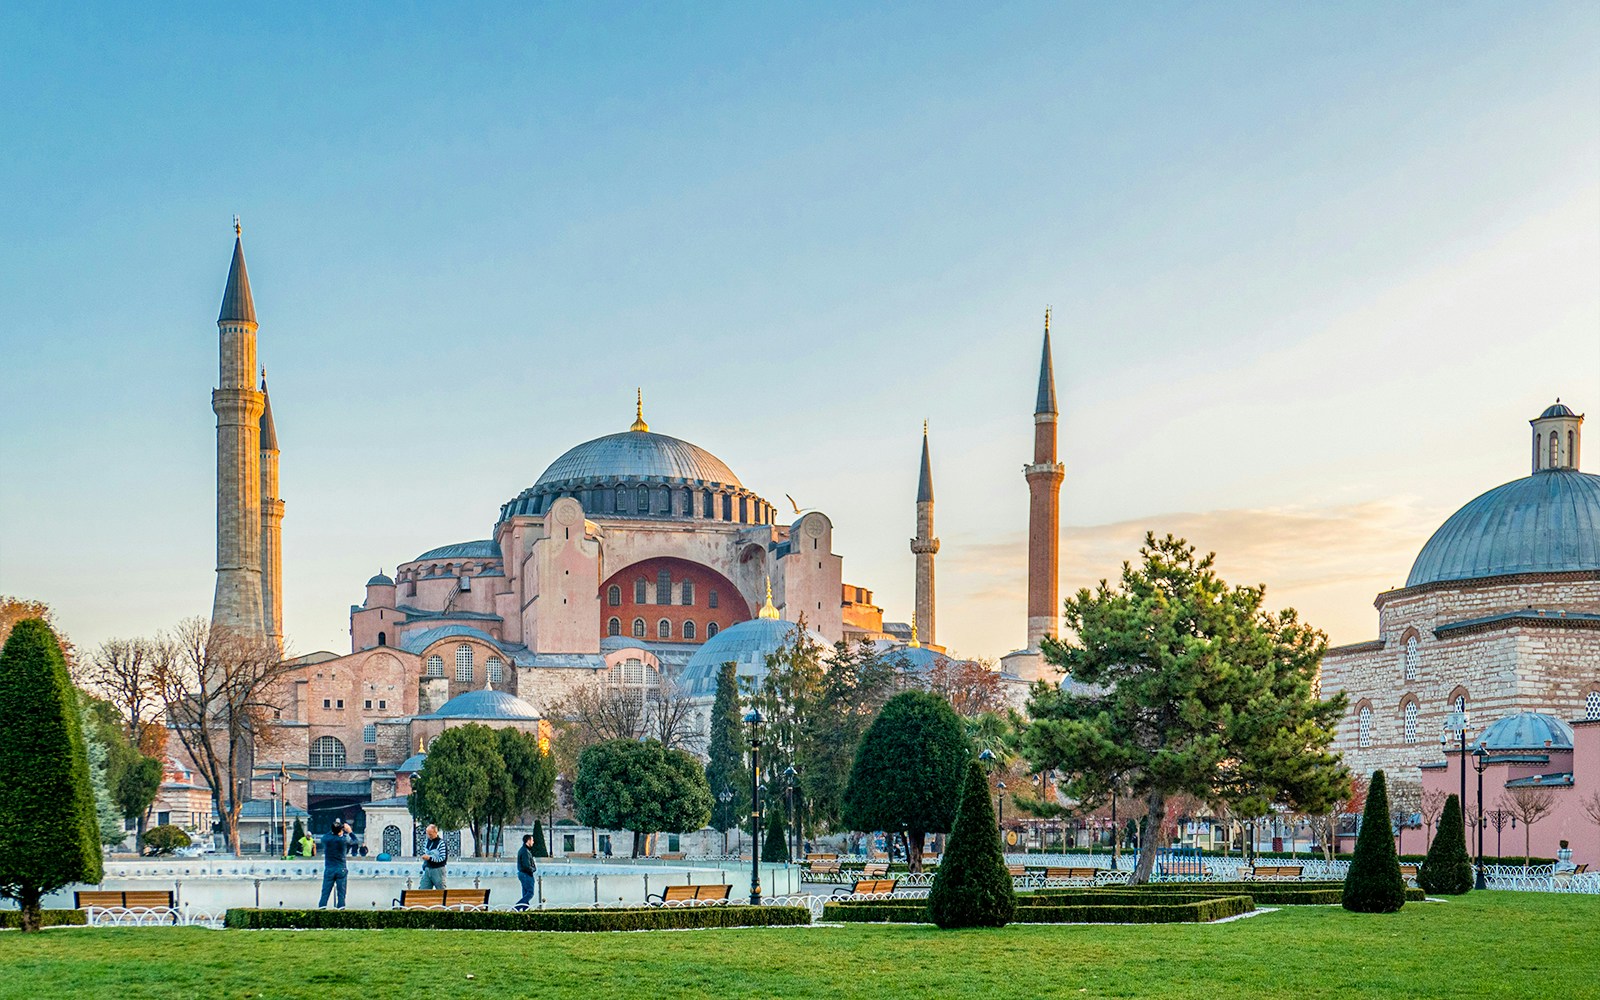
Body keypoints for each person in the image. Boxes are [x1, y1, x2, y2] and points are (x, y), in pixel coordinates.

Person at [317, 819, 360, 909]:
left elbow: (328, 835)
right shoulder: (343, 841)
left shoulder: (326, 839)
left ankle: (321, 908)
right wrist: (349, 831)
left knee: (325, 892)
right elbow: (355, 841)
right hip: (341, 868)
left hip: (329, 868)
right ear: (341, 831)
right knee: (341, 893)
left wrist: (335, 828)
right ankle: (340, 908)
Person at [420, 824, 448, 890]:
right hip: (428, 869)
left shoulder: (441, 843)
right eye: (427, 834)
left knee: (441, 890)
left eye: (430, 834)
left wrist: (430, 858)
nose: (429, 836)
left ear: (435, 832)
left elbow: (443, 858)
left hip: (438, 869)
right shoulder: (426, 842)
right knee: (423, 889)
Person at [515, 833, 539, 910]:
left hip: (523, 874)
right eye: (532, 840)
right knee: (530, 893)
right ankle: (517, 907)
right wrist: (533, 869)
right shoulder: (525, 851)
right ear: (528, 841)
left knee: (525, 894)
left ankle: (525, 910)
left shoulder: (523, 850)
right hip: (526, 874)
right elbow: (526, 866)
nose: (533, 842)